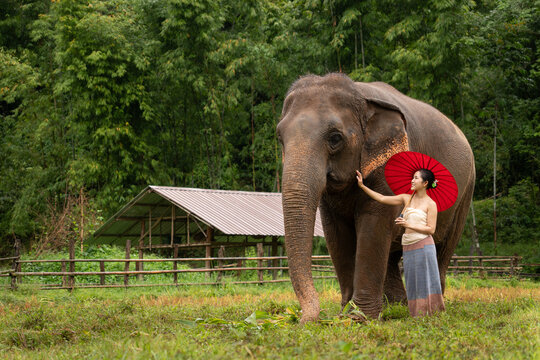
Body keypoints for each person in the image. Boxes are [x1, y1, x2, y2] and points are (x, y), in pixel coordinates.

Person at [355, 169, 445, 317]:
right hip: (409, 245)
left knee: (424, 279)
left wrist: (407, 224)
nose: (412, 180)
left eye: (416, 178)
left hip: (424, 244)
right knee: (411, 279)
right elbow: (382, 198)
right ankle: (416, 312)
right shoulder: (406, 198)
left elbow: (431, 229)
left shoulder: (431, 204)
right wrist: (362, 186)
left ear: (425, 183)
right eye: (413, 178)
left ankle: (429, 312)